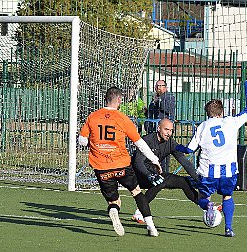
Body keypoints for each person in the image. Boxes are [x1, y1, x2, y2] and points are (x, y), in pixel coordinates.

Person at [78, 86, 162, 237]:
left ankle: (114, 212)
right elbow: (140, 143)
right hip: (121, 164)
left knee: (114, 201)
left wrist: (95, 141)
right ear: (119, 100)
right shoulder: (123, 118)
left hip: (101, 167)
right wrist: (154, 159)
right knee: (136, 192)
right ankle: (151, 227)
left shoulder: (93, 116)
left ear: (106, 99)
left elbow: (82, 141)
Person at [175, 80, 247, 237]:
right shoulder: (231, 121)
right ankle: (228, 228)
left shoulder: (202, 127)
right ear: (221, 112)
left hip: (208, 172)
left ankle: (209, 205)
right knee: (227, 196)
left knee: (203, 197)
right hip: (229, 172)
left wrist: (176, 147)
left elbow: (189, 149)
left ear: (207, 113)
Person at [130, 118, 200, 223]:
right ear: (158, 128)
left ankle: (206, 206)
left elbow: (185, 162)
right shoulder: (147, 140)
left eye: (171, 130)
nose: (169, 133)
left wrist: (199, 179)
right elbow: (138, 163)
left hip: (154, 175)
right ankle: (140, 212)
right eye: (166, 129)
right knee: (160, 180)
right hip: (138, 176)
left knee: (183, 182)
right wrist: (150, 175)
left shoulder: (170, 143)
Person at [146, 80, 176, 173]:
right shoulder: (154, 98)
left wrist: (160, 100)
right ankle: (154, 172)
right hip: (153, 129)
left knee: (163, 152)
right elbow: (151, 113)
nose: (158, 88)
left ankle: (164, 173)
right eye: (157, 86)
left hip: (164, 130)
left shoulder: (169, 97)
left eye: (161, 86)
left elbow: (168, 109)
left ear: (165, 87)